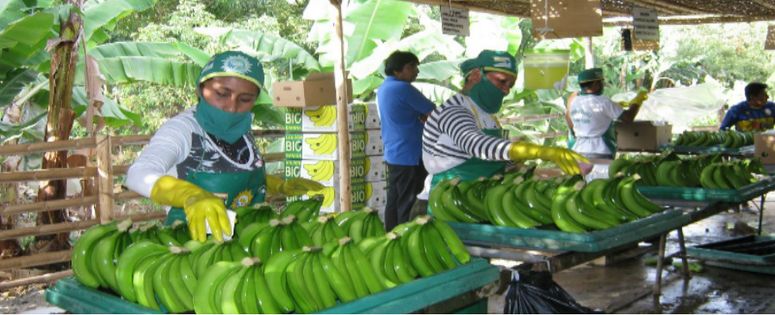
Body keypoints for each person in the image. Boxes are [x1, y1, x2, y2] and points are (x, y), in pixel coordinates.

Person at [127, 51, 322, 242]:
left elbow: (239, 174)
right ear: (200, 89)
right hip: (193, 248)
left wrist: (279, 186)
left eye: (245, 100)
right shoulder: (183, 130)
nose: (231, 107)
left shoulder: (241, 129)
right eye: (221, 94)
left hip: (248, 244)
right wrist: (191, 195)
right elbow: (138, 174)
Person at [421, 50, 588, 192]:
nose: (506, 90)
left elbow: (494, 158)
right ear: (475, 76)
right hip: (448, 197)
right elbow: (476, 145)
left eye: (510, 84)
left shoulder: (487, 115)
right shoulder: (454, 110)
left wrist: (517, 162)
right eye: (502, 81)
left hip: (483, 192)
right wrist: (539, 151)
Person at [376, 51, 436, 230]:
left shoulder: (384, 88)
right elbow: (434, 112)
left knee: (394, 201)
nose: (416, 72)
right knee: (409, 203)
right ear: (397, 70)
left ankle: (391, 235)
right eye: (411, 67)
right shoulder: (403, 88)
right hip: (410, 154)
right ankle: (405, 237)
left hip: (395, 152)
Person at [567, 68, 644, 159]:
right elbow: (628, 117)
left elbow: (569, 120)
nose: (603, 85)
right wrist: (637, 102)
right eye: (601, 82)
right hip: (600, 150)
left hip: (579, 150)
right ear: (596, 84)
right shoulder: (604, 102)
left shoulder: (574, 101)